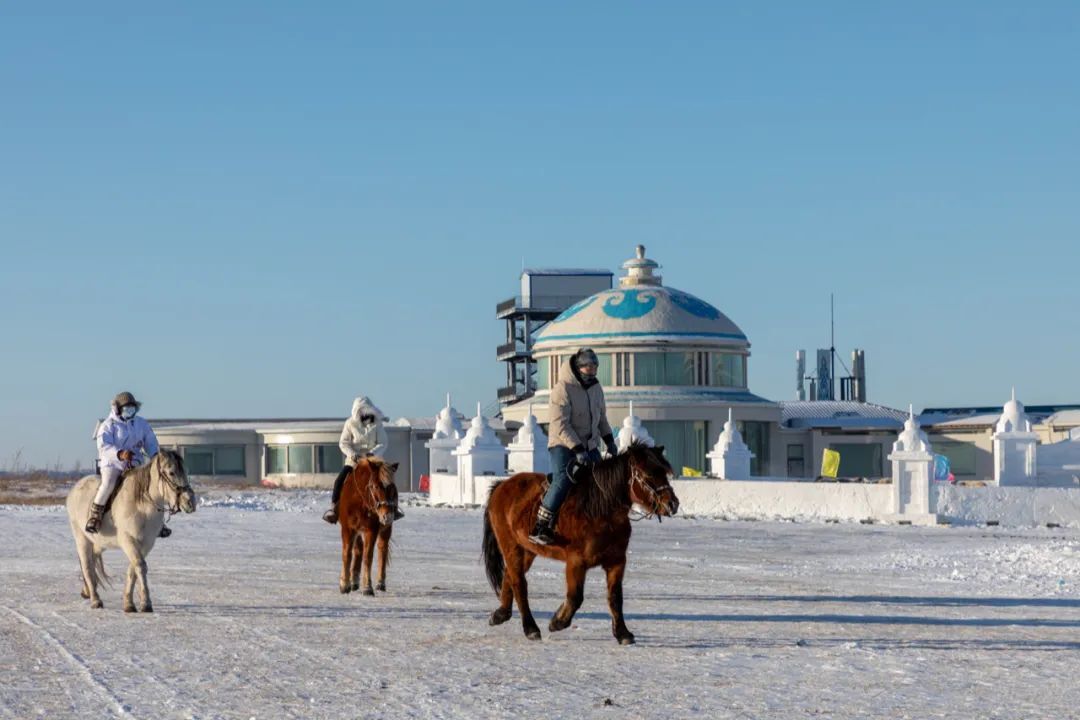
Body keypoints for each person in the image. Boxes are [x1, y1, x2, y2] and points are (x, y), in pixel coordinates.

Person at [529, 348, 618, 545]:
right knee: (564, 478)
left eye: (595, 366)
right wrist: (577, 449)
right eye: (588, 366)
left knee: (602, 481)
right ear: (578, 368)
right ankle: (541, 525)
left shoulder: (596, 388)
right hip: (562, 444)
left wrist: (609, 440)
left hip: (589, 445)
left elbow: (601, 418)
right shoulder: (563, 388)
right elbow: (560, 424)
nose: (592, 370)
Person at [87, 391, 161, 534]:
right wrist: (120, 454)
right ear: (118, 409)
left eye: (132, 407)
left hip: (135, 463)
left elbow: (150, 441)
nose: (130, 410)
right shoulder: (108, 425)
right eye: (127, 407)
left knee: (150, 486)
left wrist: (155, 456)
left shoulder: (141, 424)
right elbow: (104, 446)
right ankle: (95, 516)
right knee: (108, 484)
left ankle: (157, 521)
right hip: (112, 464)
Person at [323, 396, 403, 523]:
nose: (364, 413)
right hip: (354, 461)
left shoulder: (377, 423)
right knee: (339, 481)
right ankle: (334, 509)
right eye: (361, 411)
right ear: (356, 411)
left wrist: (373, 453)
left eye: (366, 410)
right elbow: (343, 443)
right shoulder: (350, 423)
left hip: (374, 461)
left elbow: (383, 442)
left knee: (389, 480)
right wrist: (353, 454)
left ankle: (395, 508)